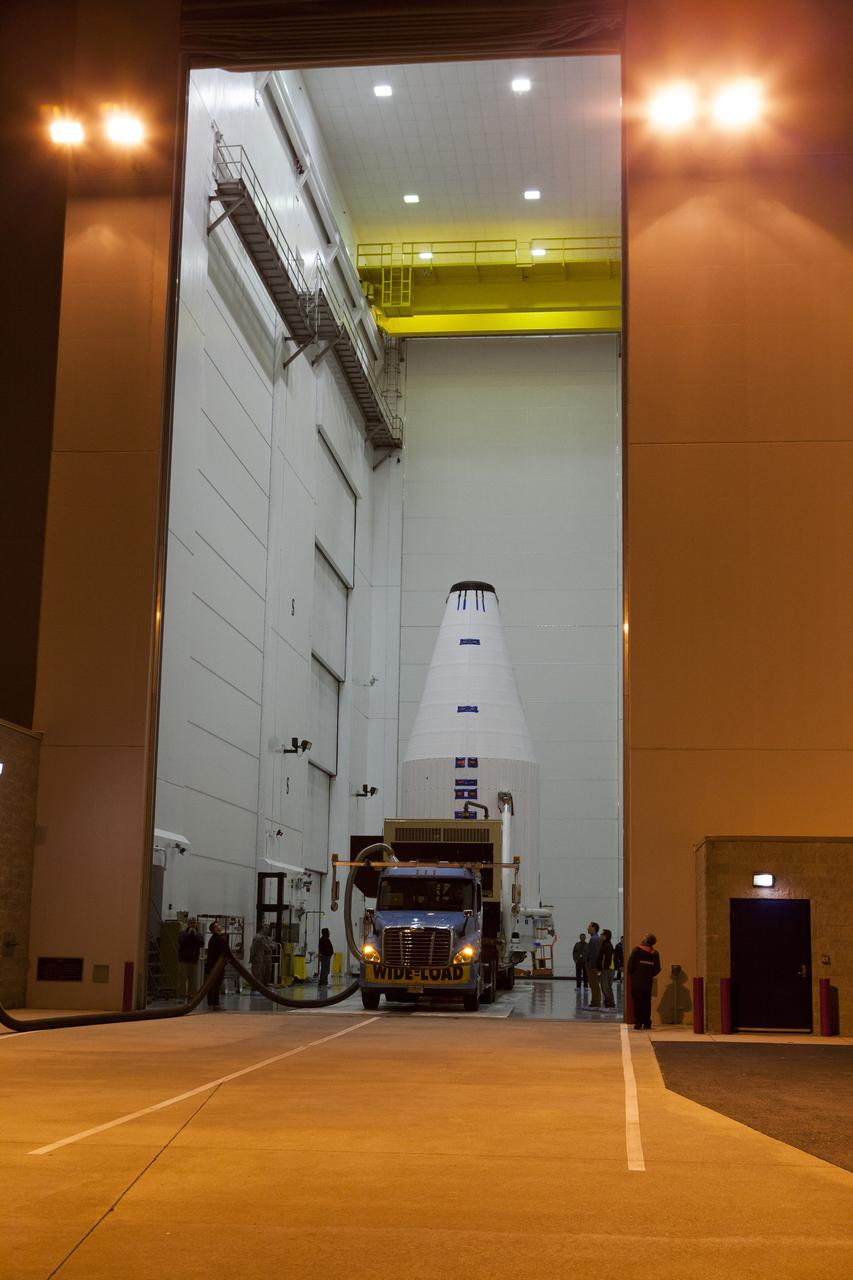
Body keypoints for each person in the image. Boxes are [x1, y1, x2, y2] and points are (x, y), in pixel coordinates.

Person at [627, 932, 661, 1030]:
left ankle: (638, 1022)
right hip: (647, 982)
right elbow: (657, 968)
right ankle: (647, 1023)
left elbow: (630, 966)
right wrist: (649, 975)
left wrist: (632, 974)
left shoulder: (637, 951)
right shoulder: (655, 953)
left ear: (646, 940)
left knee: (637, 1002)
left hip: (637, 982)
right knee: (647, 1002)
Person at [205, 919, 230, 1010]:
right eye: (218, 925)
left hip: (217, 965)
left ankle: (213, 1004)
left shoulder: (217, 938)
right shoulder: (217, 939)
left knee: (215, 985)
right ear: (215, 929)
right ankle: (214, 1004)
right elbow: (226, 950)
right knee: (215, 985)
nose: (220, 926)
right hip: (216, 966)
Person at [177, 918, 203, 1000]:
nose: (192, 924)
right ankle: (181, 997)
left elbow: (201, 944)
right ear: (188, 924)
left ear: (196, 924)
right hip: (184, 960)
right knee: (182, 980)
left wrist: (195, 935)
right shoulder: (183, 933)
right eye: (191, 923)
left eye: (194, 923)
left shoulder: (199, 934)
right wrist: (188, 935)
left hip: (194, 961)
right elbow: (181, 941)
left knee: (193, 981)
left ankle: (191, 997)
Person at [249, 923, 274, 989]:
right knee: (257, 974)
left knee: (262, 974)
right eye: (266, 928)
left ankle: (260, 987)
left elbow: (273, 946)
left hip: (262, 958)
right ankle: (256, 987)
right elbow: (254, 948)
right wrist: (251, 958)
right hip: (258, 958)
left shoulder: (264, 937)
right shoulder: (258, 937)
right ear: (262, 929)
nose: (267, 930)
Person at [585, 921, 602, 1007]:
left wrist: (593, 966)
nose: (587, 928)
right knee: (593, 984)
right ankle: (594, 1001)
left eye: (589, 927)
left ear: (594, 928)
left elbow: (595, 954)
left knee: (594, 984)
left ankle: (596, 1002)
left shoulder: (594, 939)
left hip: (593, 967)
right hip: (593, 966)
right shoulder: (594, 938)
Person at [599, 928, 616, 1008]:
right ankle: (608, 1003)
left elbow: (607, 958)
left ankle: (610, 1004)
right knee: (605, 987)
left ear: (605, 936)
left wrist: (604, 968)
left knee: (606, 987)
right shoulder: (604, 944)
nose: (600, 935)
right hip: (607, 969)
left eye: (601, 934)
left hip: (608, 969)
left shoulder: (607, 945)